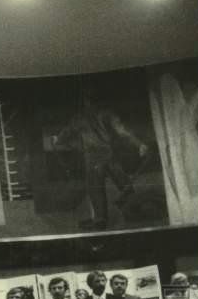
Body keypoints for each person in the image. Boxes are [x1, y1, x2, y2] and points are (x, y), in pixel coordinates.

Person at [53, 84, 149, 229]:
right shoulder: (108, 114)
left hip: (93, 158)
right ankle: (134, 212)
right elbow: (123, 132)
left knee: (95, 188)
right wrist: (140, 144)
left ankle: (100, 221)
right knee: (123, 182)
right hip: (110, 154)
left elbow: (62, 139)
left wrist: (62, 142)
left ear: (85, 100)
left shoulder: (79, 118)